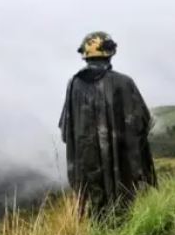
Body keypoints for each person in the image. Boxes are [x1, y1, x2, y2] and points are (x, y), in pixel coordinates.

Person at [59, 31, 157, 213]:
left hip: (87, 167)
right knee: (124, 210)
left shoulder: (74, 84)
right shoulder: (123, 82)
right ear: (110, 52)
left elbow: (66, 131)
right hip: (121, 168)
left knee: (95, 213)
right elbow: (142, 123)